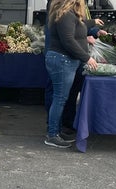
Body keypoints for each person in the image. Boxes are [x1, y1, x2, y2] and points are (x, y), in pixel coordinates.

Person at [44, 0, 98, 148]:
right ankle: (52, 135)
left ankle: (56, 131)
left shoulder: (69, 14)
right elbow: (68, 40)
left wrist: (92, 22)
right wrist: (87, 58)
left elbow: (79, 27)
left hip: (66, 61)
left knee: (61, 98)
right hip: (62, 60)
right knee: (60, 99)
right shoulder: (65, 14)